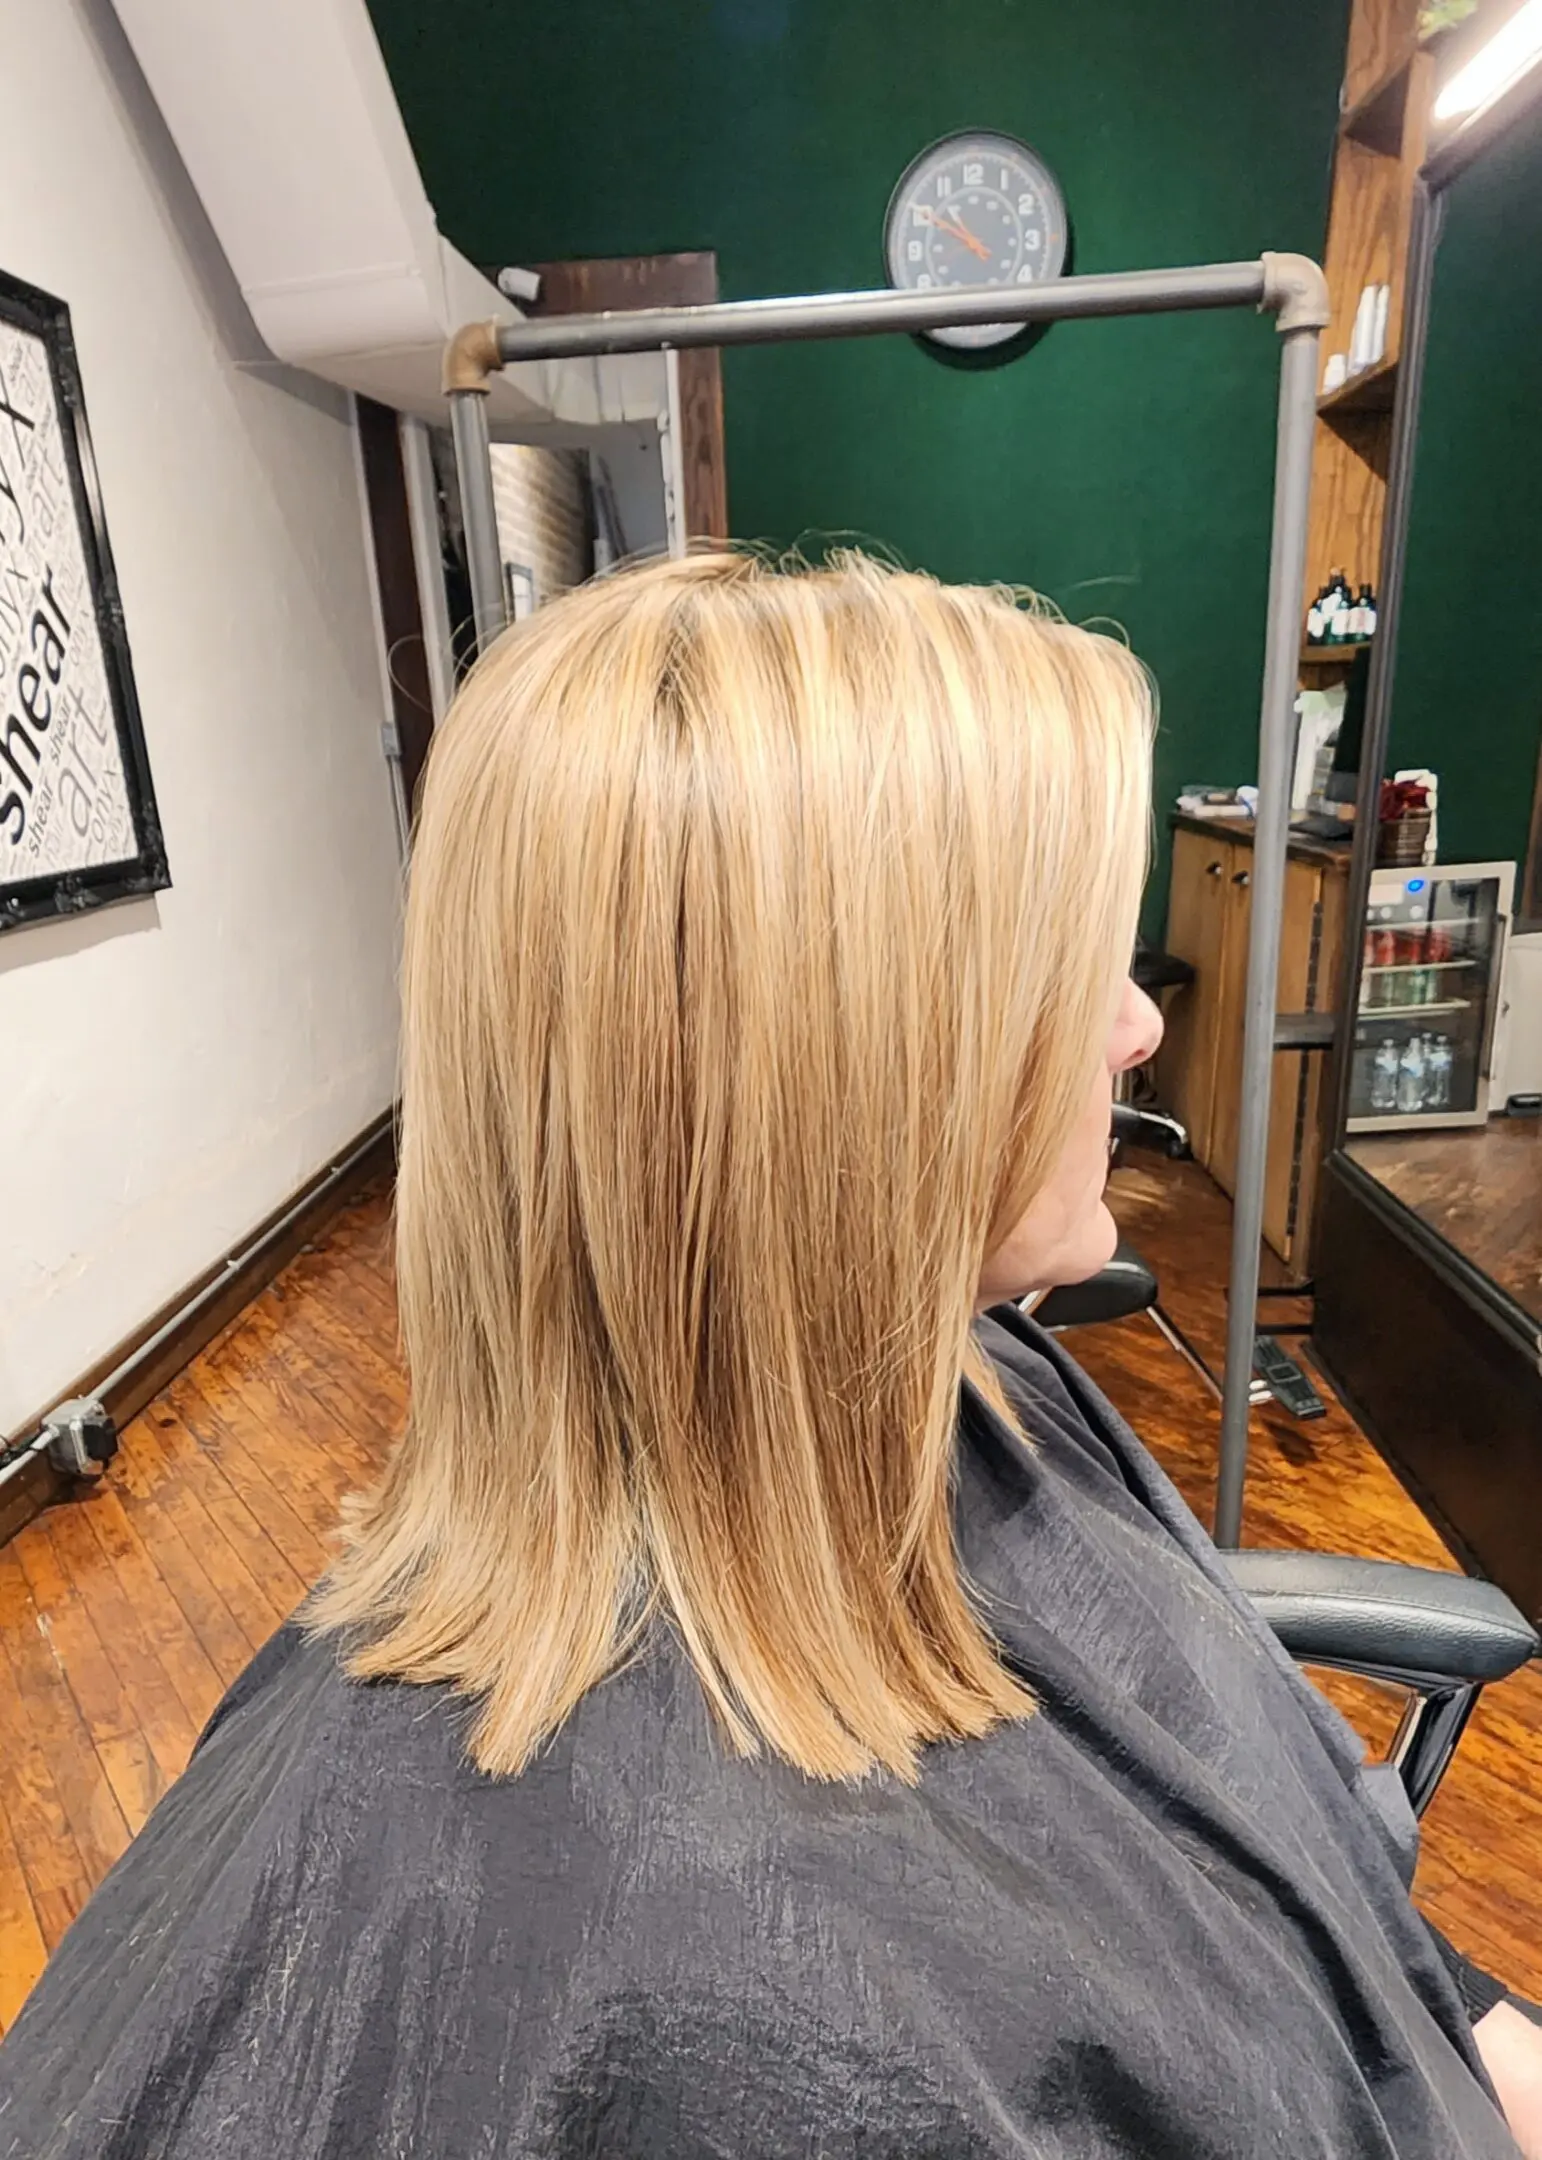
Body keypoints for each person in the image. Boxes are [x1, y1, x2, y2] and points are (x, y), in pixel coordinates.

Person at [1, 550, 1538, 2158]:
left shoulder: (969, 1369)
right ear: (864, 1062)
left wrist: (1463, 2021)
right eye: (1066, 962)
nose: (1134, 1025)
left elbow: (1306, 1891)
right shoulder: (749, 2039)